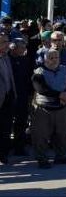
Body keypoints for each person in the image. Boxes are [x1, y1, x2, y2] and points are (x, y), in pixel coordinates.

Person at [31, 48, 66, 169]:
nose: (54, 60)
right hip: (44, 108)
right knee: (41, 135)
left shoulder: (64, 69)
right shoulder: (38, 72)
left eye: (56, 57)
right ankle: (42, 159)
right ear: (44, 59)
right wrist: (59, 95)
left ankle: (60, 156)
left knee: (62, 133)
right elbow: (41, 89)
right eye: (51, 58)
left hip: (62, 106)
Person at [9, 37, 32, 156]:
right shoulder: (7, 60)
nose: (24, 50)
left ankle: (19, 147)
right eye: (21, 48)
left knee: (21, 122)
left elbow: (28, 78)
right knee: (7, 123)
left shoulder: (25, 60)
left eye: (25, 47)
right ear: (13, 48)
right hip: (9, 96)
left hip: (23, 96)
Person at [0, 33, 16, 165]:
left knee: (6, 128)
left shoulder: (6, 57)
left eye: (7, 41)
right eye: (3, 42)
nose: (7, 44)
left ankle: (3, 154)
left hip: (8, 97)